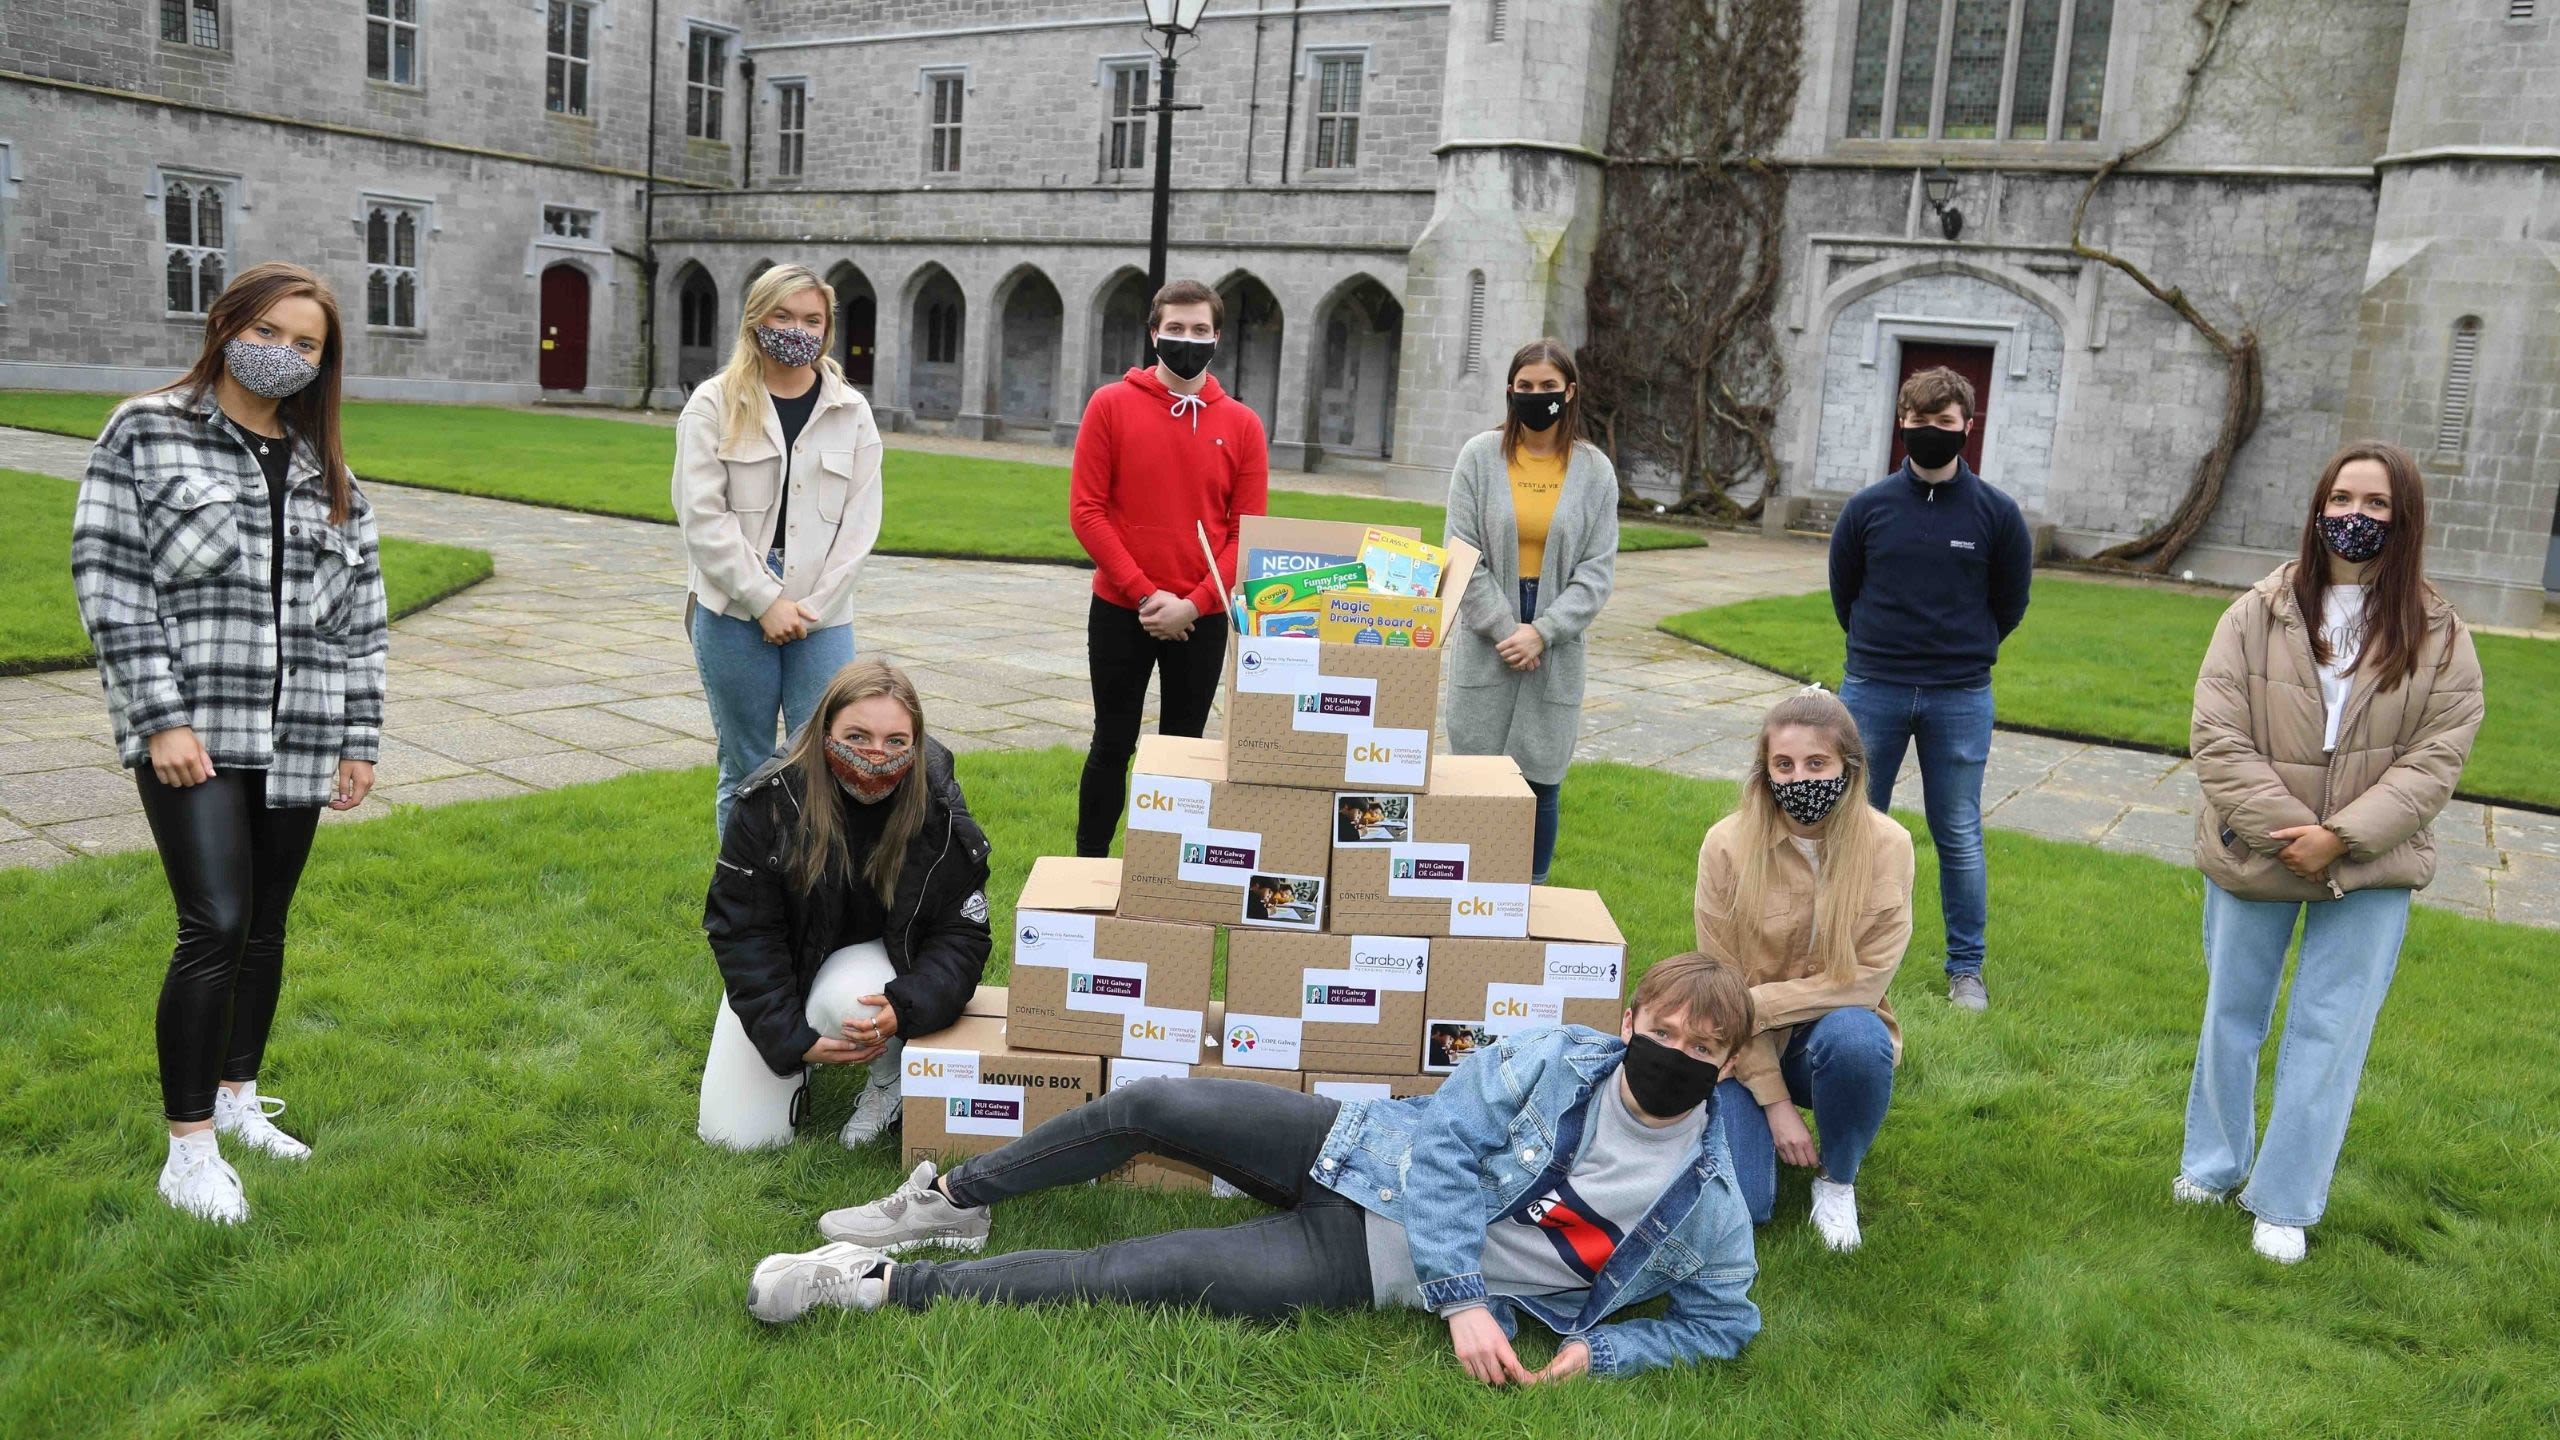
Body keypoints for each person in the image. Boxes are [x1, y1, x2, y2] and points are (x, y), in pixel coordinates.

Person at [745, 954, 1764, 1385]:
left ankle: (876, 1288)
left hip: (1361, 1260)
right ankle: (950, 1202)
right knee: (1157, 1103)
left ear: (1726, 1068)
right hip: (1360, 1149)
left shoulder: (1707, 1207)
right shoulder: (1555, 1057)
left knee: (1140, 1269)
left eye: (1700, 1049)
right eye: (1659, 1029)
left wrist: (1608, 1355)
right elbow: (1449, 1151)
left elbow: (1725, 1322)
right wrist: (1463, 1300)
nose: (1673, 1055)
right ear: (1629, 1022)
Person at [71, 261, 388, 1224]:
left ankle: (240, 1099)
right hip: (196, 734)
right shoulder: (147, 429)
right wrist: (158, 717)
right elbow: (110, 579)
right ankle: (189, 1151)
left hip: (300, 735)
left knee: (265, 927)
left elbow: (360, 622)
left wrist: (358, 739)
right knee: (212, 923)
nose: (286, 354)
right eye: (272, 332)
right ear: (227, 324)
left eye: (309, 345)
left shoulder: (331, 474)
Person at [2178, 439, 2481, 1265]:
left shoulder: (2443, 636)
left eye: (2377, 504)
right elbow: (2216, 733)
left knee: (2330, 1030)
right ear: (2319, 508)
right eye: (2343, 498)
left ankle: (2284, 1197)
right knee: (2231, 1017)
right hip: (2255, 851)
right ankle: (2212, 1166)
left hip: (2371, 866)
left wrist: (2341, 840)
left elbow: (2437, 758)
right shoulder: (2253, 611)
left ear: (2404, 518)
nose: (2356, 516)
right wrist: (2291, 833)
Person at [698, 660, 992, 1151]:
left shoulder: (936, 803)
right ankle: (803, 1053)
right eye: (856, 736)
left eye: (896, 741)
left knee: (854, 998)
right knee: (737, 1138)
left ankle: (888, 1079)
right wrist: (791, 1038)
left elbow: (963, 934)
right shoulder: (770, 802)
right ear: (824, 731)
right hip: (786, 968)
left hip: (875, 970)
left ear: (915, 744)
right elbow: (742, 932)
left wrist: (906, 1005)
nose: (876, 755)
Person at [1827, 365, 2032, 1013]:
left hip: (1959, 694)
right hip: (1873, 687)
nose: (1931, 432)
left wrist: (1961, 651)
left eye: (1945, 423)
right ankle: (1851, 961)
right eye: (1919, 422)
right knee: (1855, 827)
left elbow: (2010, 602)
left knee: (1959, 833)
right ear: (1902, 425)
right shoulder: (1868, 509)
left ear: (1967, 428)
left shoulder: (1997, 514)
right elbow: (1844, 593)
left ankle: (1965, 969)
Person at [1695, 688, 1915, 1251]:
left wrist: (1757, 1003)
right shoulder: (1725, 845)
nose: (1800, 779)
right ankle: (1752, 1126)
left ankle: (1838, 1180)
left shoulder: (1890, 845)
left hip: (1830, 1034)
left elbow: (1865, 981)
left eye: (1817, 764)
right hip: (1741, 1046)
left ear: (1849, 766)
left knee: (1858, 1038)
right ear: (1764, 771)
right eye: (1783, 765)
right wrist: (1776, 1104)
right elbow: (1724, 987)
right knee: (1749, 1206)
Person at [672, 262, 885, 836]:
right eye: (783, 316)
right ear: (755, 320)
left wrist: (808, 606)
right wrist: (765, 599)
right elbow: (702, 516)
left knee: (820, 764)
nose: (798, 329)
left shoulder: (852, 411)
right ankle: (743, 909)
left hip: (823, 610)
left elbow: (860, 525)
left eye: (812, 319)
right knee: (745, 765)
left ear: (828, 329)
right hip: (733, 608)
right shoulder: (714, 405)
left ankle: (807, 902)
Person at [1069, 279, 1269, 859]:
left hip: (1199, 616)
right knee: (1112, 742)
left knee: (1183, 749)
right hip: (1121, 608)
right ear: (1154, 332)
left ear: (1218, 338)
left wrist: (1195, 602)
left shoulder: (1243, 425)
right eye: (1175, 329)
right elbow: (1087, 510)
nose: (1188, 340)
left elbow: (1245, 530)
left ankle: (1164, 874)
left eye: (1200, 330)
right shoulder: (1110, 405)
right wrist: (1143, 594)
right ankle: (1089, 865)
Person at [1444, 339, 1619, 886]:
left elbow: (1596, 573)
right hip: (1486, 633)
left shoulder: (1595, 471)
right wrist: (1504, 628)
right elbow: (1461, 552)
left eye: (1548, 388)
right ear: (1510, 390)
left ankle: (1529, 899)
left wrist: (1542, 633)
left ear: (1570, 393)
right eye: (1526, 387)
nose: (1537, 397)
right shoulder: (1478, 456)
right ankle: (1461, 894)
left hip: (1554, 645)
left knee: (1539, 780)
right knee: (1474, 777)